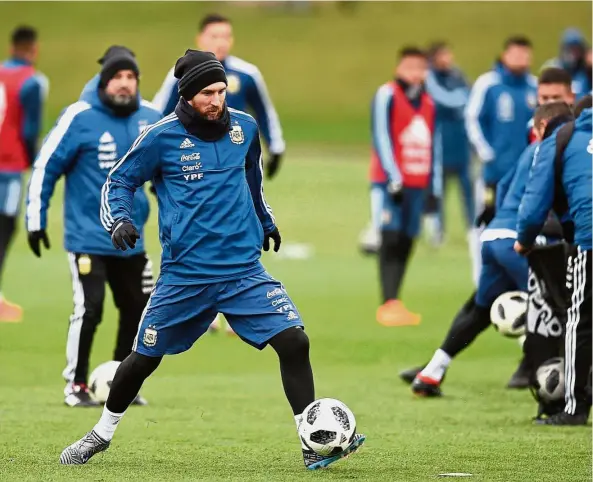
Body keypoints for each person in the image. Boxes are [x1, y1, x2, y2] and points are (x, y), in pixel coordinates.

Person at [59, 50, 365, 469]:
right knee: (141, 361)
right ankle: (100, 434)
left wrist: (265, 220)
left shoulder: (245, 127)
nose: (216, 100)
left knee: (295, 341)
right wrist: (120, 221)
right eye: (207, 92)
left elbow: (253, 180)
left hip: (242, 271)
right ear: (186, 95)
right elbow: (120, 180)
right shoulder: (160, 136)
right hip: (185, 275)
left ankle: (312, 441)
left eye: (221, 90)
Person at [398, 102, 573, 397]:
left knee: (480, 309)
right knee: (561, 308)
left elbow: (502, 188)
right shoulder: (558, 152)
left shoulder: (530, 151)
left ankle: (431, 373)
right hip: (520, 241)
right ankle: (555, 386)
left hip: (492, 238)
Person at [25, 46, 161, 407]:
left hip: (132, 238)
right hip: (87, 235)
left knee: (137, 308)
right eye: (117, 77)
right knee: (91, 307)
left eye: (131, 77)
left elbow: (170, 174)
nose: (124, 84)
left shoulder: (151, 117)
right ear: (104, 81)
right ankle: (77, 385)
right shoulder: (79, 116)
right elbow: (45, 166)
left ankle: (121, 382)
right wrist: (36, 220)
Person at [515, 104, 592, 426]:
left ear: (542, 125)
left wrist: (524, 239)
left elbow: (534, 203)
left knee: (580, 318)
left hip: (589, 237)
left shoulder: (560, 138)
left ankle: (574, 408)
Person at [369, 47, 438, 327]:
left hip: (418, 183)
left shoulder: (429, 104)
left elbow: (435, 145)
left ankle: (396, 300)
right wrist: (393, 176)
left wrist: (434, 187)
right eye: (410, 67)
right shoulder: (387, 94)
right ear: (399, 68)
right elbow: (381, 135)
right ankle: (387, 302)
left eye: (421, 68)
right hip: (391, 183)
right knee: (391, 237)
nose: (415, 73)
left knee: (408, 239)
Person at [465, 36, 537, 282]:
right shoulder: (489, 84)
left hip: (526, 175)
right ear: (505, 55)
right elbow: (472, 118)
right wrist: (487, 153)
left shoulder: (534, 87)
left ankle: (520, 278)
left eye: (525, 54)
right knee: (486, 222)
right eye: (516, 53)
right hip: (494, 174)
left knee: (524, 224)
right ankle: (481, 278)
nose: (521, 59)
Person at [0, 26, 48, 322]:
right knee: (4, 228)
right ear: (34, 48)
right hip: (8, 167)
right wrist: (32, 159)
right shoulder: (33, 81)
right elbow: (30, 128)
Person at [542, 28, 591, 100]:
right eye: (571, 50)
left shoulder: (587, 72)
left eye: (577, 50)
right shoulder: (553, 68)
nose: (574, 55)